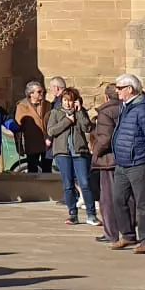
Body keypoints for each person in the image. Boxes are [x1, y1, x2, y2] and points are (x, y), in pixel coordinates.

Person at [47, 87, 98, 226]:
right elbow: (51, 130)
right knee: (68, 184)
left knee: (85, 183)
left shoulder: (80, 112)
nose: (68, 104)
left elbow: (87, 127)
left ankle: (91, 214)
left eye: (70, 101)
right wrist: (67, 121)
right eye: (65, 100)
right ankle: (72, 214)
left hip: (79, 152)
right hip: (62, 153)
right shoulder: (55, 113)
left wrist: (80, 111)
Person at [110, 74, 145, 252]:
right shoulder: (125, 107)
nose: (116, 91)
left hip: (138, 162)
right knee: (118, 199)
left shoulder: (142, 108)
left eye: (119, 88)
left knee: (144, 203)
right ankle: (127, 235)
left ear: (130, 89)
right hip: (122, 163)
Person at [90, 84, 120, 245]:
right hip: (125, 159)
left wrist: (95, 153)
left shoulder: (106, 112)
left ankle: (111, 233)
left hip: (108, 160)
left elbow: (104, 138)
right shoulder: (126, 108)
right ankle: (128, 232)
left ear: (106, 97)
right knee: (125, 198)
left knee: (107, 198)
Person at [14, 80, 49, 174]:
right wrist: (19, 145)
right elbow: (18, 128)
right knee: (32, 171)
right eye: (39, 91)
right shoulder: (22, 106)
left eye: (43, 91)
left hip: (47, 143)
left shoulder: (48, 105)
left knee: (47, 171)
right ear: (31, 94)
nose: (42, 93)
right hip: (32, 144)